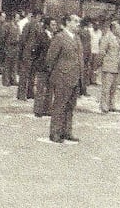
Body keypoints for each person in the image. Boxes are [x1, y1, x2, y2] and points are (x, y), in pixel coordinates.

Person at [46, 14, 84, 143]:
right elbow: (50, 59)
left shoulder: (77, 38)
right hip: (62, 77)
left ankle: (66, 131)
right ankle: (55, 133)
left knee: (70, 107)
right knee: (59, 106)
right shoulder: (60, 37)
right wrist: (55, 75)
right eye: (75, 21)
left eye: (79, 22)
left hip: (75, 77)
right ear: (68, 23)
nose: (78, 24)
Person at [32, 16, 56, 117]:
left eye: (55, 24)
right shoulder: (41, 35)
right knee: (40, 89)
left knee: (50, 89)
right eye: (53, 24)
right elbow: (36, 50)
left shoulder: (55, 36)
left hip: (52, 67)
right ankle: (38, 110)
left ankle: (47, 109)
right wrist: (38, 61)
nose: (55, 26)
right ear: (47, 26)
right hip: (42, 66)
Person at [17, 10, 43, 100]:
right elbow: (23, 39)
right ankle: (21, 94)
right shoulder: (28, 25)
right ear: (35, 16)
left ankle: (30, 93)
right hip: (28, 52)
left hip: (35, 53)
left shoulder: (39, 26)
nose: (39, 18)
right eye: (39, 16)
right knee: (24, 74)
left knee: (32, 74)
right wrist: (23, 51)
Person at [98, 20, 120, 113]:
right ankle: (104, 106)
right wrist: (100, 64)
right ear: (114, 28)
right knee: (106, 88)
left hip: (116, 67)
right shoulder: (107, 37)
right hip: (108, 67)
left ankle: (112, 105)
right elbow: (102, 52)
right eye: (119, 28)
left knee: (113, 88)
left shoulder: (118, 39)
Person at [2, 12, 20, 87]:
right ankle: (6, 81)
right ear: (13, 18)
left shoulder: (18, 26)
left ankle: (13, 79)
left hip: (16, 47)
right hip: (9, 46)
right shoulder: (8, 25)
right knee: (7, 65)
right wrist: (5, 45)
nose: (18, 19)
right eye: (17, 17)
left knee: (14, 65)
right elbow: (4, 36)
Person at [78, 18, 92, 97]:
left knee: (85, 73)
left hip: (86, 54)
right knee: (80, 73)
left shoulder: (87, 31)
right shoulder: (80, 31)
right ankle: (80, 90)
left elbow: (89, 44)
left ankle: (83, 90)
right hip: (82, 54)